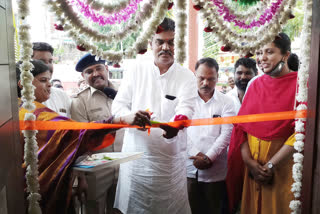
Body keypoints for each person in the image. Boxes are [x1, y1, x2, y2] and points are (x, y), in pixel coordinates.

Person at [16, 60, 144, 214]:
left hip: (121, 166)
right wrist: (118, 121)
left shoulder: (19, 109)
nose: (49, 85)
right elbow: (77, 132)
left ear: (107, 69)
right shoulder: (33, 114)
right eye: (43, 81)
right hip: (45, 185)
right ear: (22, 84)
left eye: (49, 80)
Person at [112, 17, 197, 214]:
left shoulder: (186, 76)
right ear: (151, 44)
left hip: (169, 164)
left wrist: (177, 126)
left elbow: (187, 108)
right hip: (137, 162)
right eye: (160, 42)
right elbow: (118, 107)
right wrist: (129, 117)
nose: (165, 47)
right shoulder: (135, 70)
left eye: (171, 42)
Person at [227, 33, 297, 214]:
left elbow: (300, 133)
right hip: (253, 171)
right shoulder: (255, 84)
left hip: (282, 170)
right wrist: (249, 163)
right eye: (259, 52)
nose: (261, 58)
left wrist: (271, 166)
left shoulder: (301, 86)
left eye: (269, 52)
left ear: (285, 55)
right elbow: (241, 127)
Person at [70, 53, 123, 214]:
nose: (95, 74)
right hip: (96, 172)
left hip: (125, 167)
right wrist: (80, 177)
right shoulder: (79, 101)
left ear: (106, 69)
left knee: (122, 210)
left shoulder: (124, 93)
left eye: (99, 68)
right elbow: (79, 142)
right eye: (89, 71)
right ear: (83, 76)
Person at [187, 58, 236, 214]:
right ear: (195, 76)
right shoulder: (186, 100)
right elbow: (181, 131)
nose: (205, 83)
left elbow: (227, 134)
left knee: (213, 209)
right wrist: (196, 153)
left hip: (216, 171)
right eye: (201, 78)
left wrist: (209, 158)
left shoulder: (227, 102)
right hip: (188, 167)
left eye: (211, 79)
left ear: (217, 78)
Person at [32, 42, 71, 118]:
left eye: (50, 61)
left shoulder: (62, 96)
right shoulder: (19, 98)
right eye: (41, 62)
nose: (48, 66)